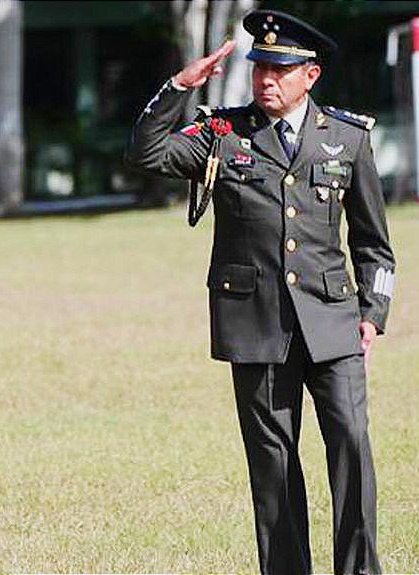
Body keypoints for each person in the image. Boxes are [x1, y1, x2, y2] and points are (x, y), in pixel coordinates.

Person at [126, 10, 394, 575]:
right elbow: (147, 153)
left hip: (332, 322)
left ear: (310, 76)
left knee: (350, 445)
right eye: (259, 68)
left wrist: (374, 311)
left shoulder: (345, 140)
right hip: (256, 324)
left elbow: (374, 242)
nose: (266, 79)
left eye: (280, 69)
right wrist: (180, 88)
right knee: (272, 463)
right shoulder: (223, 135)